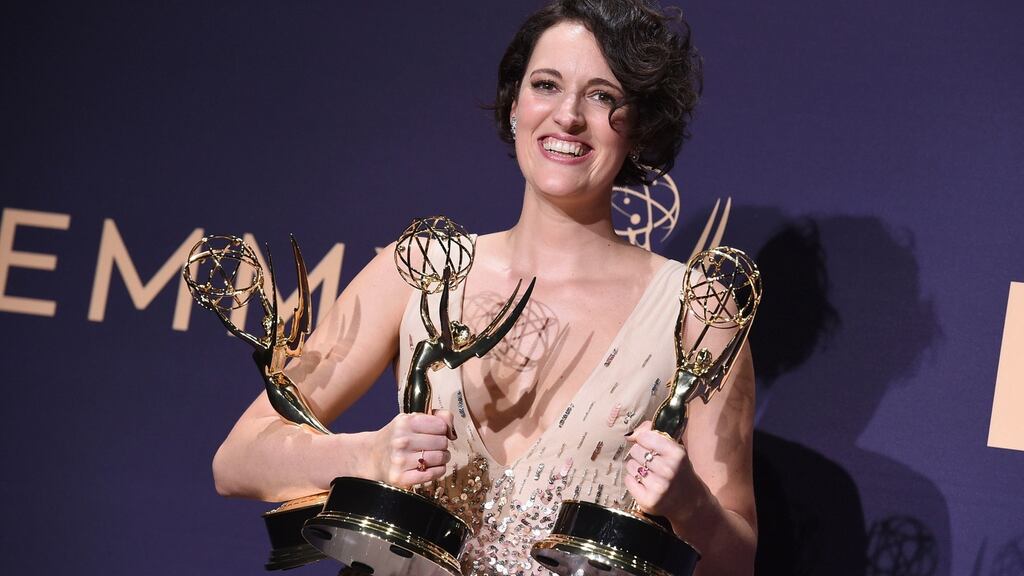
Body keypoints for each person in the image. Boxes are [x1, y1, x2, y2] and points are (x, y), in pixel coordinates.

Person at [212, 1, 756, 575]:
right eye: (546, 84)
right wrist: (368, 454)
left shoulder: (698, 313)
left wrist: (691, 505)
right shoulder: (419, 267)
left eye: (602, 95)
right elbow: (238, 460)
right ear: (515, 104)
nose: (567, 115)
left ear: (641, 125)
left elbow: (737, 562)